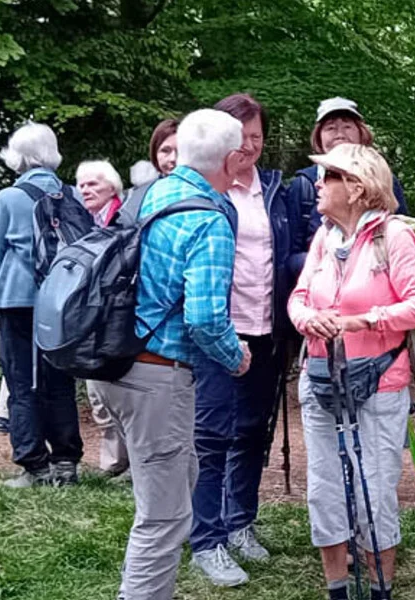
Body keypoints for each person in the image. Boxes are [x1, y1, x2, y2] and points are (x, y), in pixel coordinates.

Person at [92, 108, 251, 600]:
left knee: (176, 480)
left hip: (111, 362)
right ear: (231, 159)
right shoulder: (209, 221)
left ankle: (153, 587)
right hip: (155, 376)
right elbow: (205, 320)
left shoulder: (149, 194)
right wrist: (235, 356)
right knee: (164, 517)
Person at [289, 143, 415, 600]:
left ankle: (379, 591)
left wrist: (364, 319)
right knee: (324, 493)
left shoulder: (394, 238)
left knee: (374, 494)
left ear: (356, 187)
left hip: (378, 384)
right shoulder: (322, 239)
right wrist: (305, 319)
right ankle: (337, 591)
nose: (317, 184)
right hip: (320, 378)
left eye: (327, 176)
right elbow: (298, 296)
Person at [187, 93, 310, 586]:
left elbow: (294, 254)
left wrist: (323, 266)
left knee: (253, 432)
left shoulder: (275, 191)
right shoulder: (204, 191)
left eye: (258, 137)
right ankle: (206, 538)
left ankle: (240, 523)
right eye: (242, 139)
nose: (252, 148)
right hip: (217, 329)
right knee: (213, 435)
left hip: (267, 330)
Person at [0, 123, 83, 488]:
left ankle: (34, 466)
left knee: (21, 382)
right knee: (59, 380)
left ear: (19, 155)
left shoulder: (8, 198)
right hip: (61, 302)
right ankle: (66, 464)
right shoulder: (70, 195)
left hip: (17, 300)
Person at [73, 160, 130, 477]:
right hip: (90, 320)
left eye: (93, 183)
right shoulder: (83, 221)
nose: (85, 189)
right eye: (81, 184)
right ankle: (113, 462)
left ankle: (125, 461)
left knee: (114, 392)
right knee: (97, 394)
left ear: (112, 187)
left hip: (115, 319)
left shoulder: (123, 219)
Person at [292, 97, 410, 226]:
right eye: (331, 128)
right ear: (318, 137)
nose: (340, 134)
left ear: (361, 133)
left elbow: (402, 226)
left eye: (347, 127)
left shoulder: (383, 180)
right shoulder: (304, 184)